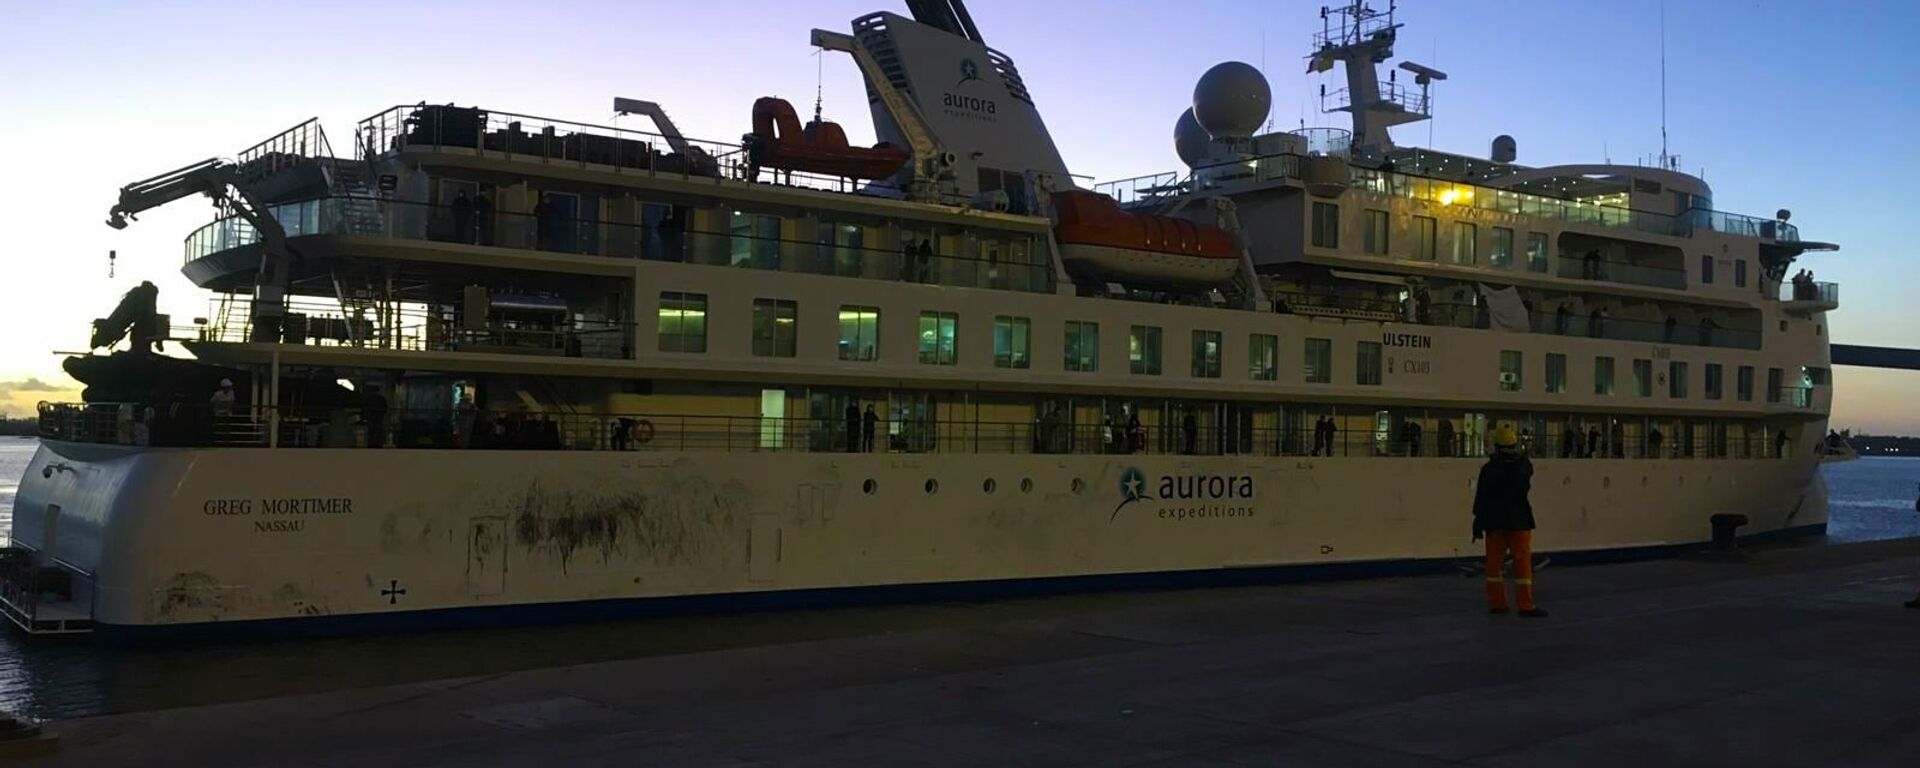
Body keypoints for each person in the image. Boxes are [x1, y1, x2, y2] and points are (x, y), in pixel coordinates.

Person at [1472, 425, 1546, 618]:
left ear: (1496, 447)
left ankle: (1498, 603)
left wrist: (1478, 523)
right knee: (1522, 564)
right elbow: (1523, 483)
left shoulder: (1489, 469)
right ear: (1514, 445)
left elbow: (1481, 497)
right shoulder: (1522, 466)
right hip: (1518, 521)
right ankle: (1526, 606)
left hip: (1494, 522)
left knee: (1493, 566)